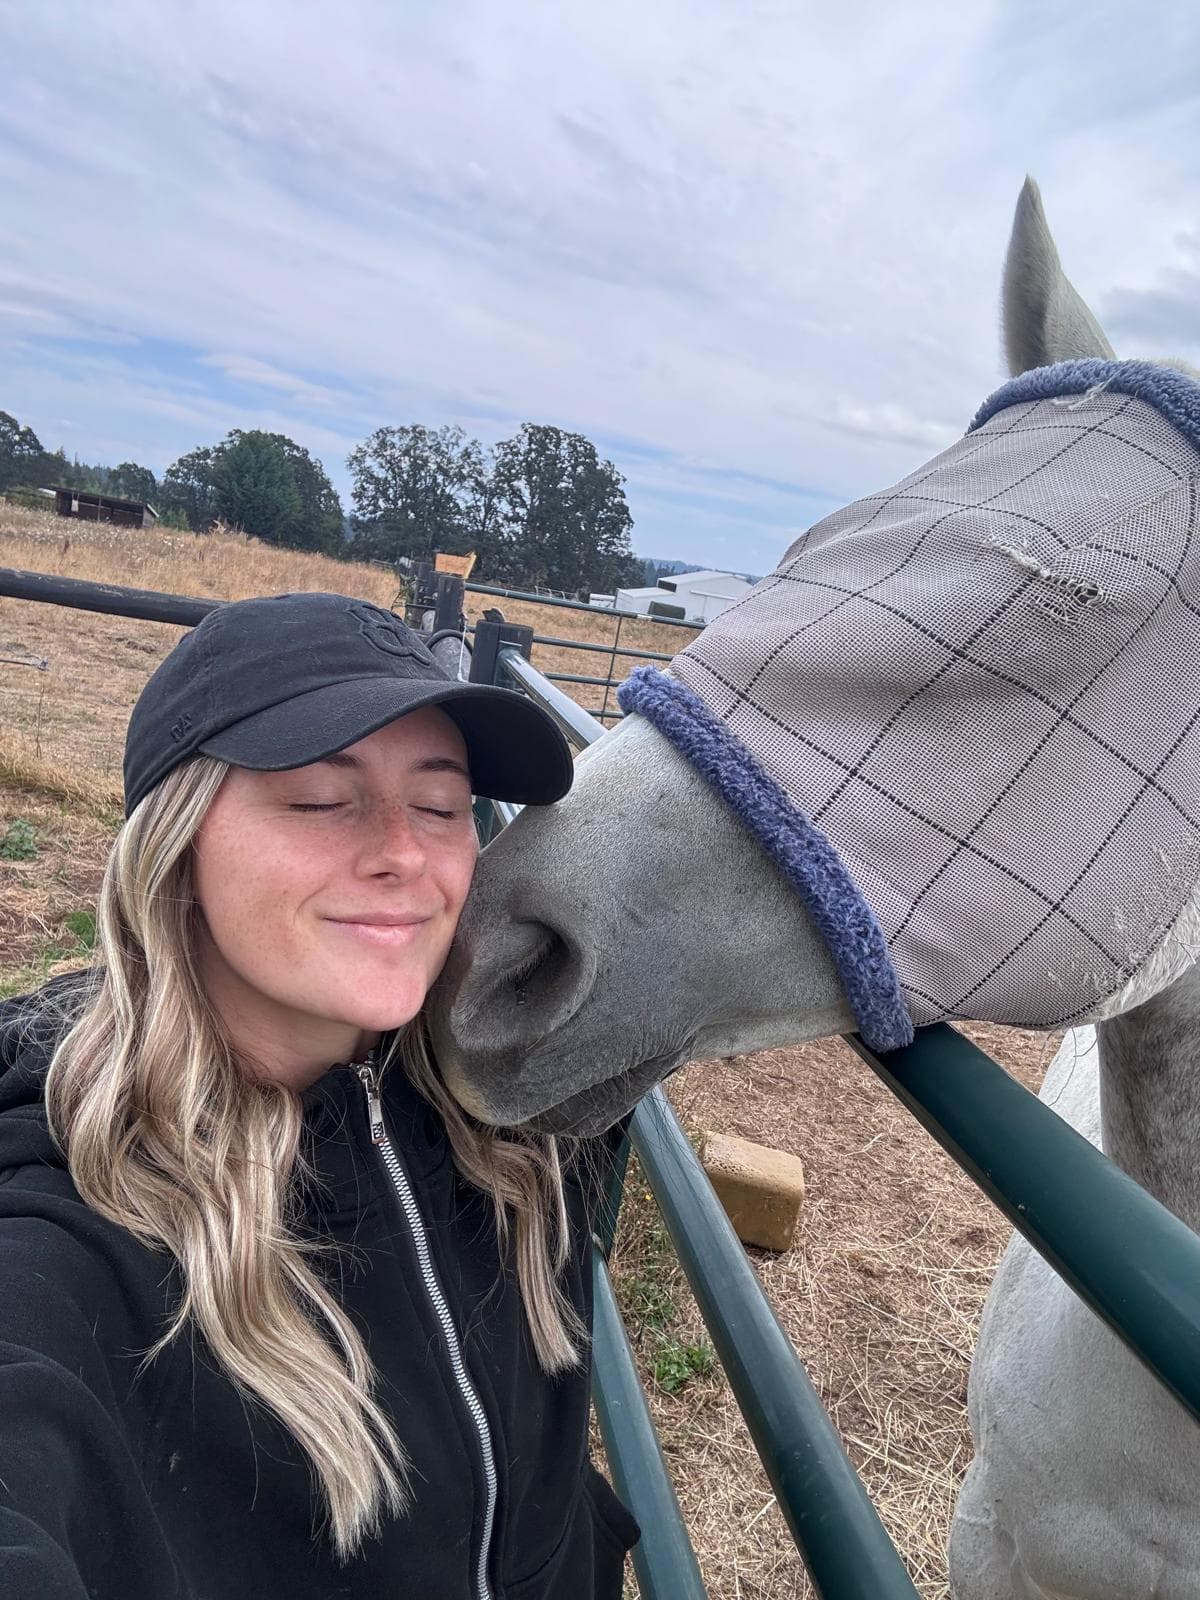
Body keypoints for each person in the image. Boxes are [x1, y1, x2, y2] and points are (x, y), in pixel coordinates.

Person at [0, 592, 639, 1600]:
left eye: (441, 805)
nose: (403, 852)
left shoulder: (515, 1118)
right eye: (318, 798)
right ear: (177, 848)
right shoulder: (67, 1234)